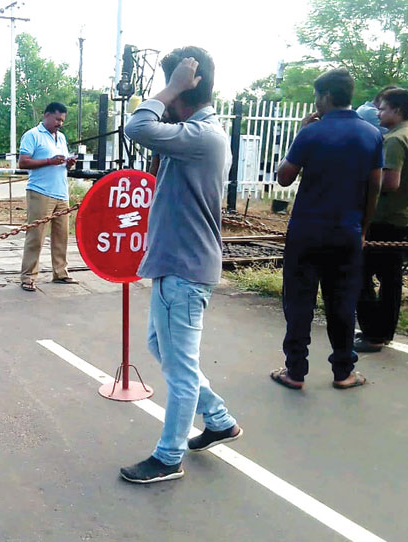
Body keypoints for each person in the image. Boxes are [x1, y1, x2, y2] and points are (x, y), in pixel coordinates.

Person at [120, 47, 242, 484]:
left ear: (185, 87)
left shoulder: (202, 135)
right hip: (179, 265)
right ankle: (219, 419)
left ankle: (168, 457)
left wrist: (170, 87)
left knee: (181, 367)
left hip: (185, 270)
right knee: (164, 350)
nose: (164, 96)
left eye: (170, 86)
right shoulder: (197, 132)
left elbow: (136, 125)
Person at [270, 69, 383, 390]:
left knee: (299, 302)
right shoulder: (371, 135)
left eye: (317, 96)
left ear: (327, 96)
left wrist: (300, 134)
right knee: (343, 302)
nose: (316, 103)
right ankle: (343, 372)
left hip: (306, 232)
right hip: (347, 233)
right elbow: (374, 188)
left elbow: (284, 177)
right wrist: (363, 229)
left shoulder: (311, 133)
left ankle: (295, 372)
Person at [356, 88, 408, 352]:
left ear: (397, 111)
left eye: (383, 108)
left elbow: (390, 182)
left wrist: (363, 180)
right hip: (401, 218)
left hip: (384, 218)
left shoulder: (394, 140)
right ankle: (382, 332)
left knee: (360, 274)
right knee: (390, 279)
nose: (378, 113)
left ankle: (373, 333)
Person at [18, 102, 77, 291]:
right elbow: (23, 162)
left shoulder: (61, 138)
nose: (60, 123)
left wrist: (68, 164)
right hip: (40, 192)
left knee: (61, 236)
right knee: (36, 235)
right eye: (57, 119)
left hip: (61, 192)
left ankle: (60, 272)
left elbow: (61, 162)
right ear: (46, 115)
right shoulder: (32, 135)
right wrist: (48, 161)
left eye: (62, 120)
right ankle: (28, 276)